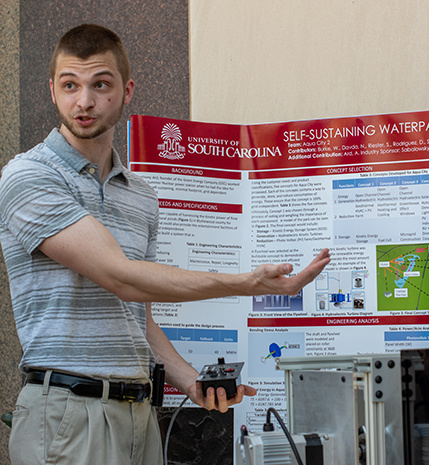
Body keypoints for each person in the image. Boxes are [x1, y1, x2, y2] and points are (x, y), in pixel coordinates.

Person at [0, 24, 331, 465]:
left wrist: (191, 382)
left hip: (139, 415)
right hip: (67, 414)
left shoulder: (141, 196)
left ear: (127, 90)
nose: (84, 102)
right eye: (70, 86)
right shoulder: (28, 177)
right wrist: (248, 282)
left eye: (101, 84)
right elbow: (122, 277)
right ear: (52, 90)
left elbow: (139, 319)